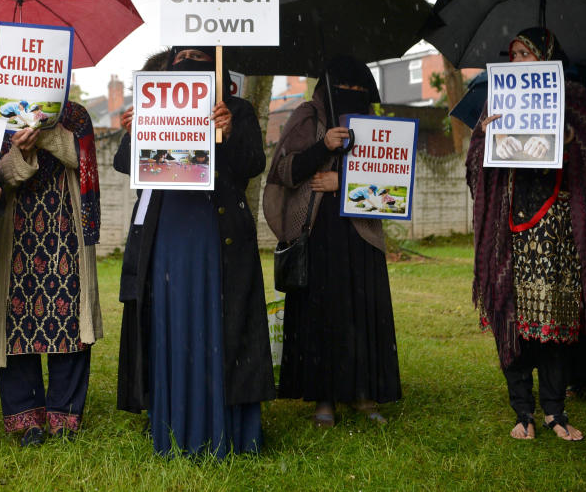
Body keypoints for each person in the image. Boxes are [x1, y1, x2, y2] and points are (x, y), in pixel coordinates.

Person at [115, 46, 274, 458]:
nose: (190, 60)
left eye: (199, 54)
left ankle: (232, 430)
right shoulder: (156, 103)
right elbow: (124, 164)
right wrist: (132, 132)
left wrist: (229, 128)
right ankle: (174, 425)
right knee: (175, 324)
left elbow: (252, 163)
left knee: (226, 325)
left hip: (219, 233)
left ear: (219, 64)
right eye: (181, 55)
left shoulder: (237, 108)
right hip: (168, 232)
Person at [467, 28, 586, 441]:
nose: (518, 61)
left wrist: (570, 141)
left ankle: (555, 411)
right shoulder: (495, 102)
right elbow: (473, 169)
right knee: (511, 320)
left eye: (527, 54)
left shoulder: (572, 101)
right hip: (508, 234)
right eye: (514, 54)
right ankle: (523, 412)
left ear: (547, 58)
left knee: (555, 319)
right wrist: (484, 136)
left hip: (556, 233)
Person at [265, 56, 401, 428]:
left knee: (362, 310)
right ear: (327, 88)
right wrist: (323, 146)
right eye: (345, 88)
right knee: (322, 312)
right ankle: (323, 395)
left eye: (360, 90)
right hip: (319, 232)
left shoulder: (374, 125)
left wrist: (345, 184)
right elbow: (284, 170)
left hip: (363, 233)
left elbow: (391, 183)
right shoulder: (307, 116)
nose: (352, 95)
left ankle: (363, 391)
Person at [0, 97, 102, 446]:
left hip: (67, 231)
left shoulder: (74, 114)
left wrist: (46, 134)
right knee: (15, 322)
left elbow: (83, 162)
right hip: (15, 234)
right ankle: (27, 419)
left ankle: (64, 416)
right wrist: (20, 153)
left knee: (69, 320)